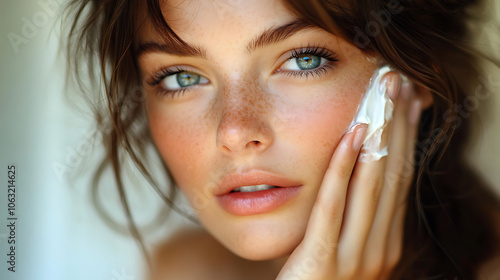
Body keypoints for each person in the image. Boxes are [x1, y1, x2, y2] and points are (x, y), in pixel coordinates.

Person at [64, 0, 500, 279]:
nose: (234, 131)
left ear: (417, 75)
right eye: (182, 77)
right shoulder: (186, 269)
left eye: (303, 59)